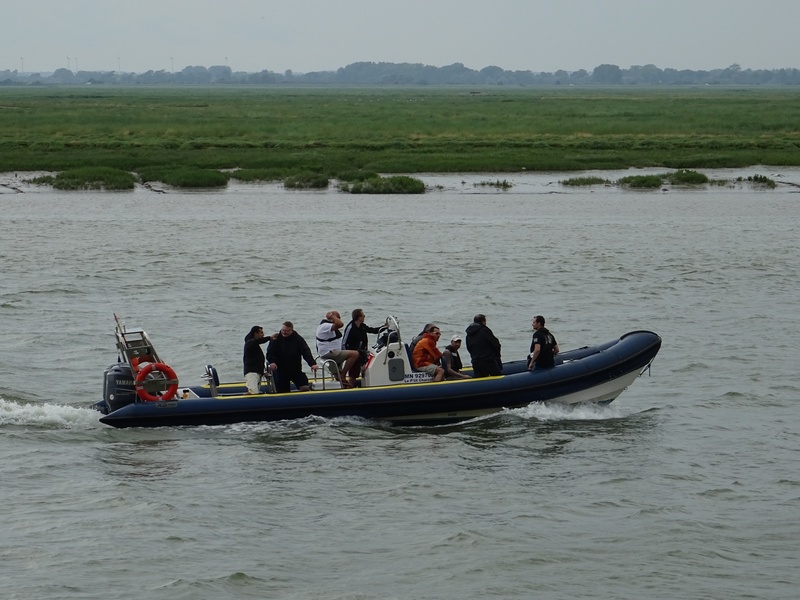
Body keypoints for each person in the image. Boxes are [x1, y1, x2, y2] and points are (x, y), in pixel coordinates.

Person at [266, 321, 318, 393]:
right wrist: (272, 362)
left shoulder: (298, 339)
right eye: (283, 330)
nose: (284, 332)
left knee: (304, 386)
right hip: (281, 370)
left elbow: (306, 352)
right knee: (283, 390)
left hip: (295, 369)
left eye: (287, 331)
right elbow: (270, 353)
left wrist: (312, 364)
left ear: (292, 330)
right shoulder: (276, 339)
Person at [341, 308, 384, 388]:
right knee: (353, 373)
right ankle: (349, 385)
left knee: (360, 371)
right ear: (359, 317)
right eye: (363, 315)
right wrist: (346, 354)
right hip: (353, 352)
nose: (364, 317)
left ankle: (354, 384)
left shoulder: (362, 326)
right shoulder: (351, 327)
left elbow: (373, 330)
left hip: (361, 352)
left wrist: (384, 327)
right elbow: (344, 342)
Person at [315, 310, 360, 387]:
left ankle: (342, 382)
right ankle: (343, 375)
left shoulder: (329, 326)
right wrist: (332, 316)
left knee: (340, 379)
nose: (339, 320)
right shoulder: (325, 326)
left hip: (333, 352)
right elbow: (340, 324)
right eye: (338, 318)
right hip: (330, 353)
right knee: (355, 354)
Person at [242, 325, 277, 394]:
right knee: (253, 392)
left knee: (255, 391)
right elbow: (258, 341)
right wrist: (269, 338)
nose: (263, 334)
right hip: (252, 372)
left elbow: (258, 360)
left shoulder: (255, 345)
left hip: (257, 372)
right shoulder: (250, 343)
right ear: (255, 333)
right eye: (261, 333)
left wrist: (263, 371)